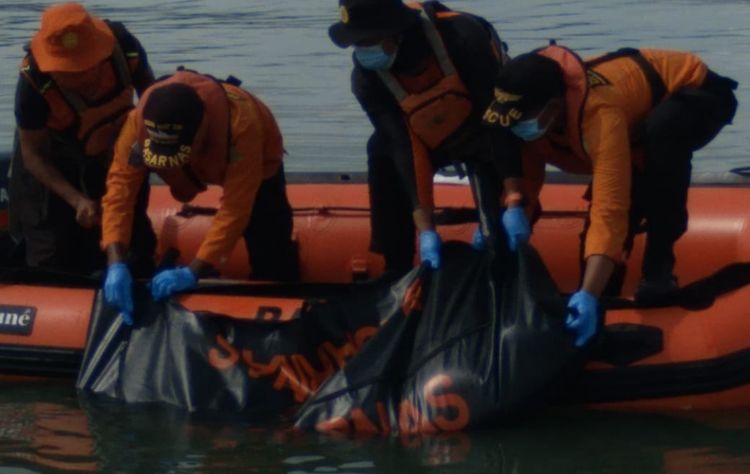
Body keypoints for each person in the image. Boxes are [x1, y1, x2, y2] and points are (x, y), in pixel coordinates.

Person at [484, 43, 738, 345]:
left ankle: (659, 269)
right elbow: (525, 183)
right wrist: (504, 226)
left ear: (554, 106)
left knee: (662, 138)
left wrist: (588, 294)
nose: (516, 126)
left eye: (520, 118)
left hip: (695, 94)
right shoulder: (530, 121)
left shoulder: (601, 115)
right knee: (599, 244)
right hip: (636, 122)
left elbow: (609, 207)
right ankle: (607, 294)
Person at [328, 0, 530, 275]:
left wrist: (514, 196)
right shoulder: (366, 79)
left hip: (484, 131)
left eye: (369, 39)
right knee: (381, 149)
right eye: (356, 42)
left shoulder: (462, 37)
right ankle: (396, 266)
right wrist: (426, 228)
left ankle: (499, 252)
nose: (363, 49)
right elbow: (403, 147)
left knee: (498, 236)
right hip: (425, 138)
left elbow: (496, 118)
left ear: (394, 30)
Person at [101, 69, 298, 325]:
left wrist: (195, 271)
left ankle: (280, 306)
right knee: (129, 212)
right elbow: (120, 192)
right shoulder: (137, 123)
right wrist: (115, 261)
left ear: (201, 131)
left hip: (257, 158)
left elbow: (236, 209)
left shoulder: (241, 125)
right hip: (176, 150)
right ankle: (134, 272)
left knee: (269, 235)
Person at [11, 2, 156, 276]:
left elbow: (155, 105)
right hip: (51, 166)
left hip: (112, 153)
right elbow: (33, 156)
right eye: (65, 71)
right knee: (51, 254)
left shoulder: (125, 48)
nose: (76, 78)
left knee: (136, 244)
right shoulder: (32, 82)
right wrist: (77, 200)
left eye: (82, 68)